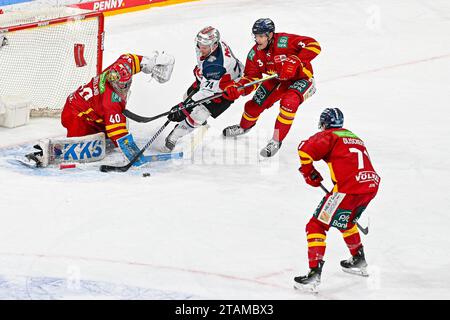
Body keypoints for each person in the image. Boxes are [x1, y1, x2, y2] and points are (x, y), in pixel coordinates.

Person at [294, 108, 380, 292]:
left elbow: (304, 149)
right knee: (347, 221)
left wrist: (309, 172)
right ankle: (359, 259)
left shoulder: (330, 135)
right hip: (370, 185)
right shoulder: (353, 136)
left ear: (324, 123)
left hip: (348, 189)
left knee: (316, 226)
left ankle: (313, 275)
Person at [222, 18, 321, 157]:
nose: (258, 40)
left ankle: (276, 141)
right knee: (253, 106)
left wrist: (296, 60)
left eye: (261, 36)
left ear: (270, 35)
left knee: (289, 102)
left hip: (302, 79)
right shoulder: (254, 54)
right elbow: (251, 77)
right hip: (277, 79)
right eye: (255, 36)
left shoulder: (284, 41)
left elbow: (314, 45)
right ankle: (244, 127)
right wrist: (239, 88)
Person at [60, 52, 174, 166]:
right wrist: (133, 154)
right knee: (79, 148)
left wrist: (149, 63)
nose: (124, 88)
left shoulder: (122, 67)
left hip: (89, 107)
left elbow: (130, 59)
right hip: (76, 115)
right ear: (113, 82)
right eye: (120, 85)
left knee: (109, 135)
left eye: (126, 83)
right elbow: (118, 133)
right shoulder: (110, 101)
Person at [163, 26, 243, 151]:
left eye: (204, 47)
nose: (200, 49)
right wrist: (200, 76)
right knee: (187, 97)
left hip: (224, 90)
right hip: (212, 79)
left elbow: (207, 92)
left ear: (214, 45)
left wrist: (184, 107)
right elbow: (205, 69)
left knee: (199, 115)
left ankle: (175, 135)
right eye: (199, 45)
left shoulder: (216, 65)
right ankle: (191, 120)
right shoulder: (212, 46)